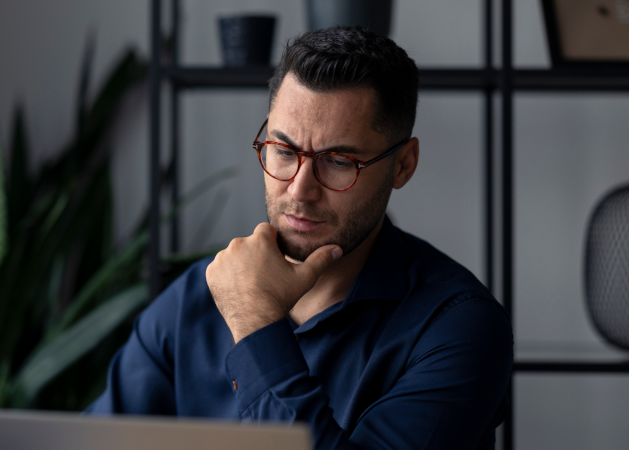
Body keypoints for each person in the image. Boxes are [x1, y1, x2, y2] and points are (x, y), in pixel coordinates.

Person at [85, 26, 512, 450]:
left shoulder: (459, 328)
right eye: (285, 152)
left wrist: (255, 324)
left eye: (338, 161)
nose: (300, 190)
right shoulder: (193, 300)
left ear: (403, 165)